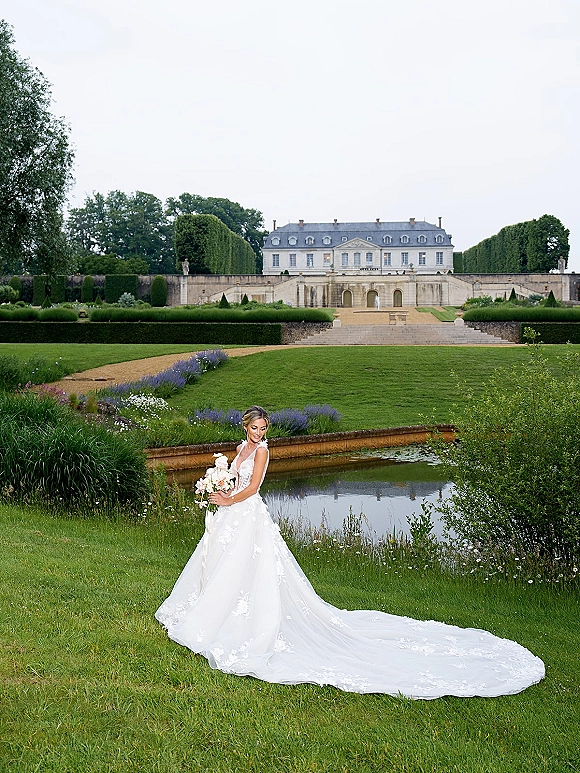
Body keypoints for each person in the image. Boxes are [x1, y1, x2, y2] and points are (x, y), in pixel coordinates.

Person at [155, 406, 545, 698]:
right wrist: (217, 485)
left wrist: (226, 497)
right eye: (254, 428)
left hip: (245, 512)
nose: (258, 434)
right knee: (224, 565)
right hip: (230, 515)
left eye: (263, 429)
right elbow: (232, 475)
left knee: (249, 568)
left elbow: (254, 488)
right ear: (245, 427)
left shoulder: (262, 452)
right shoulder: (242, 446)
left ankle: (246, 624)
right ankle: (213, 610)